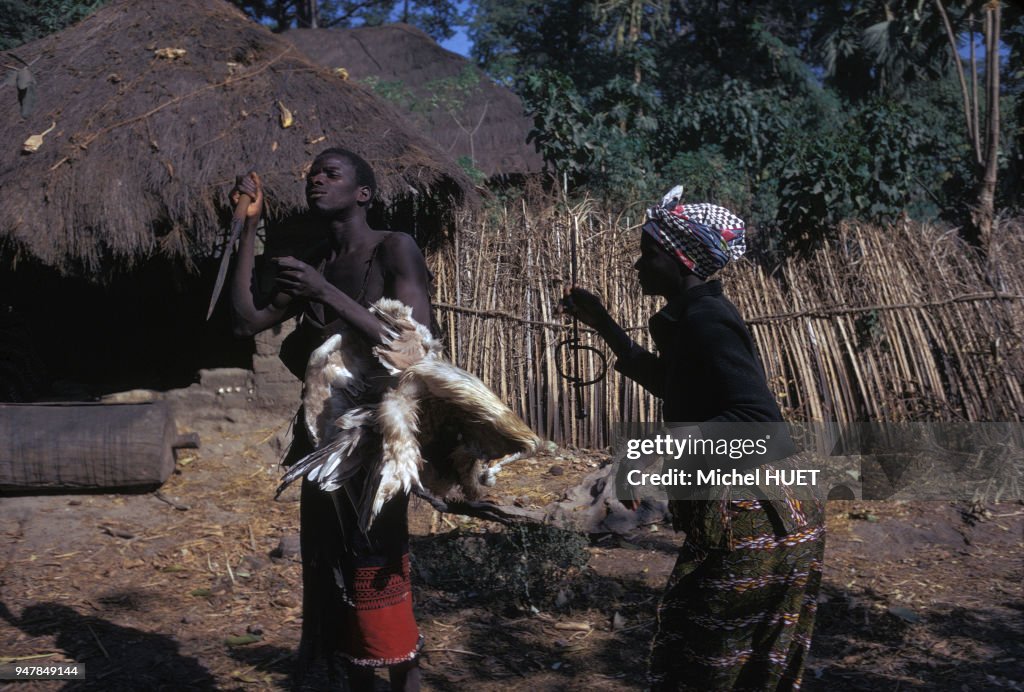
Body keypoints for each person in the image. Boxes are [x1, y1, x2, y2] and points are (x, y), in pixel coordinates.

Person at [561, 186, 825, 691]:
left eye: (648, 254)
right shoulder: (691, 320)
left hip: (762, 516)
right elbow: (674, 383)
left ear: (679, 259)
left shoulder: (708, 322)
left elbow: (756, 419)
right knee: (723, 662)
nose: (637, 266)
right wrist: (605, 326)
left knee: (709, 663)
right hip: (755, 512)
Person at [230, 148, 429, 691]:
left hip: (376, 437)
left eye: (331, 173)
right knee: (329, 564)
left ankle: (405, 680)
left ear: (363, 193)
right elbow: (247, 321)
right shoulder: (315, 261)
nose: (316, 178)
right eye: (311, 173)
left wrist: (325, 295)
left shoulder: (394, 249)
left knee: (376, 560)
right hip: (321, 440)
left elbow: (412, 349)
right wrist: (250, 229)